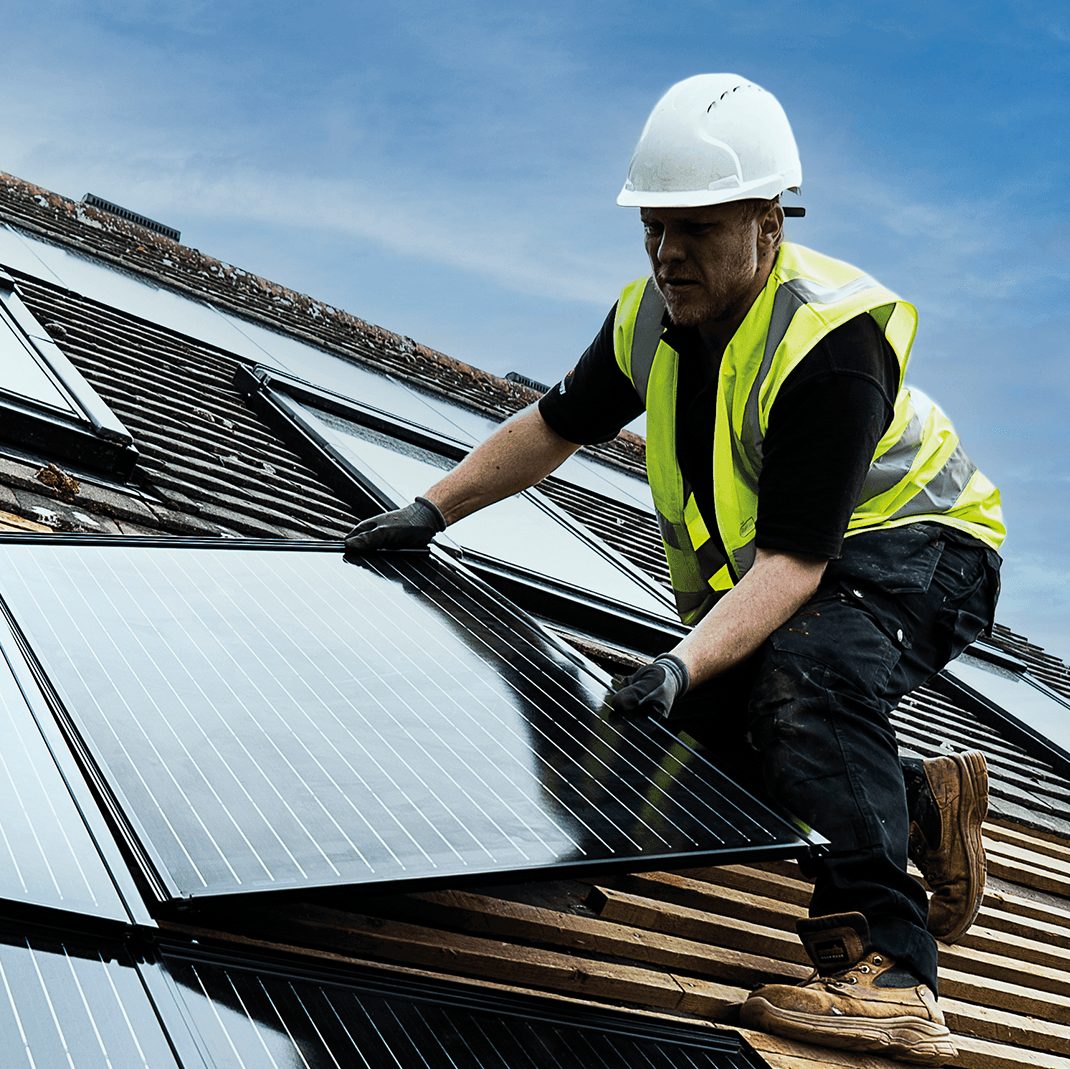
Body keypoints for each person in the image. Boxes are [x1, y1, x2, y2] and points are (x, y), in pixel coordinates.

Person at [345, 74, 1004, 1065]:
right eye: (654, 226)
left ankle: (894, 974)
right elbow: (550, 428)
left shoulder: (831, 348)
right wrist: (431, 508)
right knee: (694, 732)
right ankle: (913, 802)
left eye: (693, 228)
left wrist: (679, 660)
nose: (666, 252)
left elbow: (788, 566)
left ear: (766, 223)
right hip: (814, 571)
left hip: (929, 548)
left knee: (800, 679)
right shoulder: (649, 320)